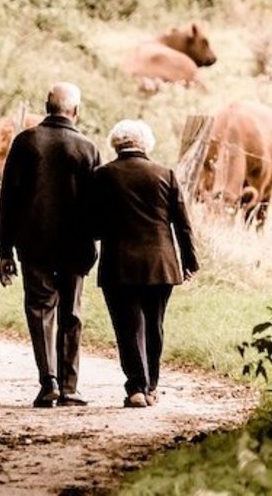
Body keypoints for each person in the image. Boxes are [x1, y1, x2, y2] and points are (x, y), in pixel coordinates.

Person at [0, 82, 101, 408]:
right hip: (75, 245)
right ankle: (70, 387)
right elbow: (96, 204)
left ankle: (49, 383)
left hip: (34, 243)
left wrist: (5, 250)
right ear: (76, 111)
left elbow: (8, 201)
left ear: (46, 106)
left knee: (40, 310)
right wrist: (95, 240)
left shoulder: (26, 142)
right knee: (71, 312)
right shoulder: (87, 148)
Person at [92, 119, 198, 408]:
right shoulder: (166, 174)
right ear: (146, 144)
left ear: (116, 144)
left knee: (127, 327)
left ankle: (136, 388)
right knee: (155, 325)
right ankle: (151, 387)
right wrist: (189, 261)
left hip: (119, 265)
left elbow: (93, 224)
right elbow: (182, 225)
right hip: (161, 264)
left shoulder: (102, 176)